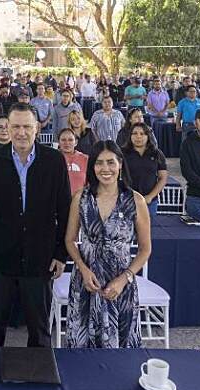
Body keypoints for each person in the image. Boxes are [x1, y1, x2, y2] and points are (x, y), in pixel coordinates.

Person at [0, 103, 71, 348]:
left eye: (27, 126)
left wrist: (61, 253)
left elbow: (65, 210)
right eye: (15, 126)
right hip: (1, 258)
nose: (21, 132)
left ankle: (38, 371)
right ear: (7, 128)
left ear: (37, 128)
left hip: (41, 259)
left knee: (39, 331)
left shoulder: (54, 160)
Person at [65, 140, 151, 348]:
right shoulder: (81, 198)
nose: (105, 169)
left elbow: (145, 249)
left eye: (111, 162)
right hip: (86, 283)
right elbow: (69, 240)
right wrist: (83, 269)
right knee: (81, 351)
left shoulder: (136, 201)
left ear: (120, 164)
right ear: (92, 167)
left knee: (120, 353)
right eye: (99, 163)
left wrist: (124, 279)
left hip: (120, 286)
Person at [122, 122, 169, 216]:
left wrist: (150, 197)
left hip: (149, 201)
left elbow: (163, 178)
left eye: (142, 134)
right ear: (130, 136)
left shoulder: (157, 153)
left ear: (148, 136)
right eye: (135, 133)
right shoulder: (122, 153)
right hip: (127, 200)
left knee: (148, 225)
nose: (138, 136)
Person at [57, 128, 88, 194]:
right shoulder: (52, 159)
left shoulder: (85, 159)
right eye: (63, 140)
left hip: (80, 199)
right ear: (58, 142)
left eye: (70, 140)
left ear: (76, 142)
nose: (67, 143)